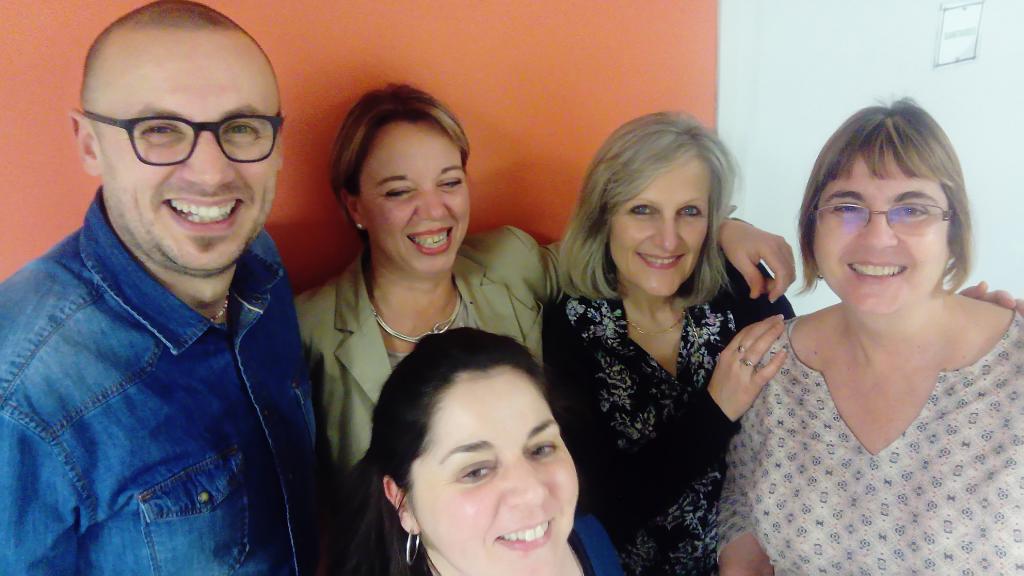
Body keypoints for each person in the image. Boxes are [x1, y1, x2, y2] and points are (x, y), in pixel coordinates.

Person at [296, 84, 798, 488]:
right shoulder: (307, 330)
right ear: (355, 205)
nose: (433, 210)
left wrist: (724, 228)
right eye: (399, 191)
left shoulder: (510, 263)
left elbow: (626, 249)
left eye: (449, 182)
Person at [0, 2, 316, 574]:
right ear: (90, 144)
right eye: (161, 131)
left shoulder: (260, 263)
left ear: (278, 142)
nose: (212, 174)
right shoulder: (22, 395)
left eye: (241, 128)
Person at [717, 100, 1024, 574]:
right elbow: (741, 504)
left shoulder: (1014, 366)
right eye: (847, 206)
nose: (878, 237)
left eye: (912, 209)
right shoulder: (769, 362)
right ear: (812, 227)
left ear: (954, 229)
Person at [543, 112, 796, 576]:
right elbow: (601, 512)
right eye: (642, 210)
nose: (667, 239)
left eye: (689, 212)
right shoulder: (571, 325)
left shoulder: (743, 291)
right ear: (604, 215)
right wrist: (717, 408)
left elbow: (808, 417)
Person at [338, 327, 625, 576]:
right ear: (403, 504)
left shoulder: (590, 538)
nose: (533, 492)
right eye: (476, 471)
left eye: (541, 449)